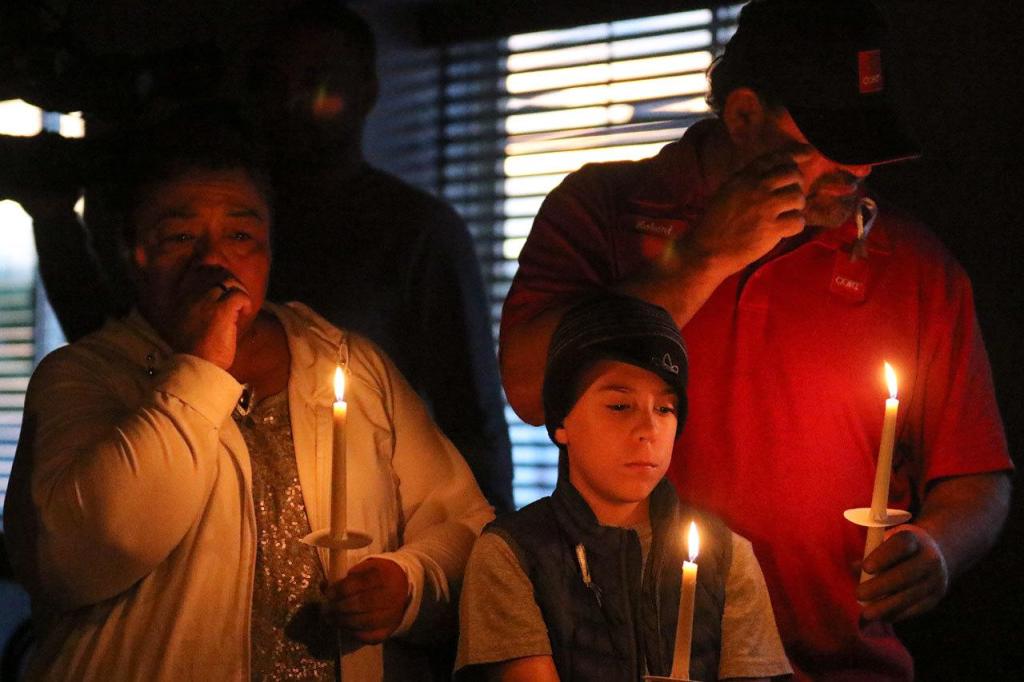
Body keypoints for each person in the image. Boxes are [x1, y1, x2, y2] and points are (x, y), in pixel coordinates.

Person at [498, 1, 1012, 679]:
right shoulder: (603, 210)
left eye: (870, 146)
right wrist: (701, 257)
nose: (857, 173)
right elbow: (533, 390)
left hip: (840, 664)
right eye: (829, 143)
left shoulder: (911, 263)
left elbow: (976, 473)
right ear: (743, 116)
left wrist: (937, 546)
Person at [3, 114, 494, 680]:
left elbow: (466, 527)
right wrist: (201, 365)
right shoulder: (84, 377)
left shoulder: (344, 363)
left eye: (240, 235)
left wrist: (408, 584)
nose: (214, 260)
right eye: (181, 236)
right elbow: (80, 558)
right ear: (135, 251)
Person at [247, 0, 515, 513]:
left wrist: (489, 563)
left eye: (318, 80)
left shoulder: (417, 231)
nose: (292, 100)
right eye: (274, 81)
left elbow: (470, 416)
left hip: (380, 537)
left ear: (367, 90)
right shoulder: (230, 228)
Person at [456, 294, 791, 681]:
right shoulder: (513, 554)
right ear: (562, 421)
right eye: (620, 406)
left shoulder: (726, 555)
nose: (649, 430)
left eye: (665, 409)